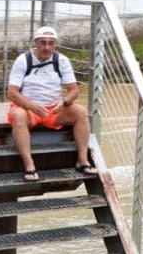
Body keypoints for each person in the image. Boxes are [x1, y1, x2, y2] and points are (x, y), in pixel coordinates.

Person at [6, 26, 92, 181]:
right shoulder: (23, 60)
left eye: (51, 43)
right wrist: (32, 107)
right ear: (35, 43)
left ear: (55, 44)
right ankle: (29, 165)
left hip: (53, 109)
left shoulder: (61, 60)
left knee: (81, 112)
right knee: (18, 115)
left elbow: (74, 90)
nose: (47, 47)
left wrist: (64, 102)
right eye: (43, 43)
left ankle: (83, 161)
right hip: (28, 108)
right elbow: (12, 93)